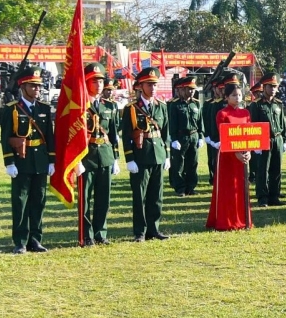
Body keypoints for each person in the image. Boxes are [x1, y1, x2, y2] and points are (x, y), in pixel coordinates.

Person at [1, 64, 55, 253]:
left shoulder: (44, 108)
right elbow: (6, 136)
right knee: (21, 201)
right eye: (32, 86)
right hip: (21, 160)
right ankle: (21, 241)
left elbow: (49, 136)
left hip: (40, 160)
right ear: (22, 87)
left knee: (38, 201)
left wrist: (51, 160)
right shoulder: (12, 109)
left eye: (38, 86)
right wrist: (9, 162)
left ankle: (35, 239)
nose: (36, 89)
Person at [121, 67, 171, 242]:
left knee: (156, 196)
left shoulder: (162, 106)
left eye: (155, 84)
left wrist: (167, 155)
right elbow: (126, 135)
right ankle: (140, 232)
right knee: (139, 196)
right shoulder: (132, 108)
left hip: (157, 154)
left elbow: (166, 133)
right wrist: (130, 158)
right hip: (141, 156)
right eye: (149, 84)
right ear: (141, 86)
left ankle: (154, 229)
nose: (153, 88)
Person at [81, 62, 121, 245]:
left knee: (103, 198)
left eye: (100, 81)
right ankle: (86, 235)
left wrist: (115, 159)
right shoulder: (79, 105)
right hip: (86, 157)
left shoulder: (109, 106)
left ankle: (100, 233)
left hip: (105, 155)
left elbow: (113, 135)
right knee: (85, 199)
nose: (98, 85)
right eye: (94, 81)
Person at [207, 82, 252, 230]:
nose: (237, 98)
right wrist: (236, 152)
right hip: (227, 155)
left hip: (243, 155)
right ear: (226, 97)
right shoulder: (222, 114)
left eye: (239, 95)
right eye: (233, 95)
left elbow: (250, 134)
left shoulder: (246, 113)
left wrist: (249, 151)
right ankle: (226, 220)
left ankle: (242, 219)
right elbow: (224, 135)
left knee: (241, 186)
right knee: (228, 188)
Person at [249, 74, 286, 206]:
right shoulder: (256, 105)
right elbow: (253, 124)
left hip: (277, 138)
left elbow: (282, 123)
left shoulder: (279, 104)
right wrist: (256, 144)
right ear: (264, 87)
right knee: (263, 170)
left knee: (276, 169)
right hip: (264, 140)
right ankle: (262, 197)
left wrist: (284, 140)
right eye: (270, 86)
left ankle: (274, 196)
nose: (273, 89)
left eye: (275, 86)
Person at [168, 75, 203, 196]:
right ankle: (180, 188)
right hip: (180, 137)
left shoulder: (196, 104)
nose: (192, 92)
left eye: (193, 89)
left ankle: (191, 187)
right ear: (182, 90)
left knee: (193, 162)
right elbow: (172, 123)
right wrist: (173, 139)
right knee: (179, 164)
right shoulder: (175, 105)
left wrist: (201, 136)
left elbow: (200, 122)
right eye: (189, 89)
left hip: (193, 136)